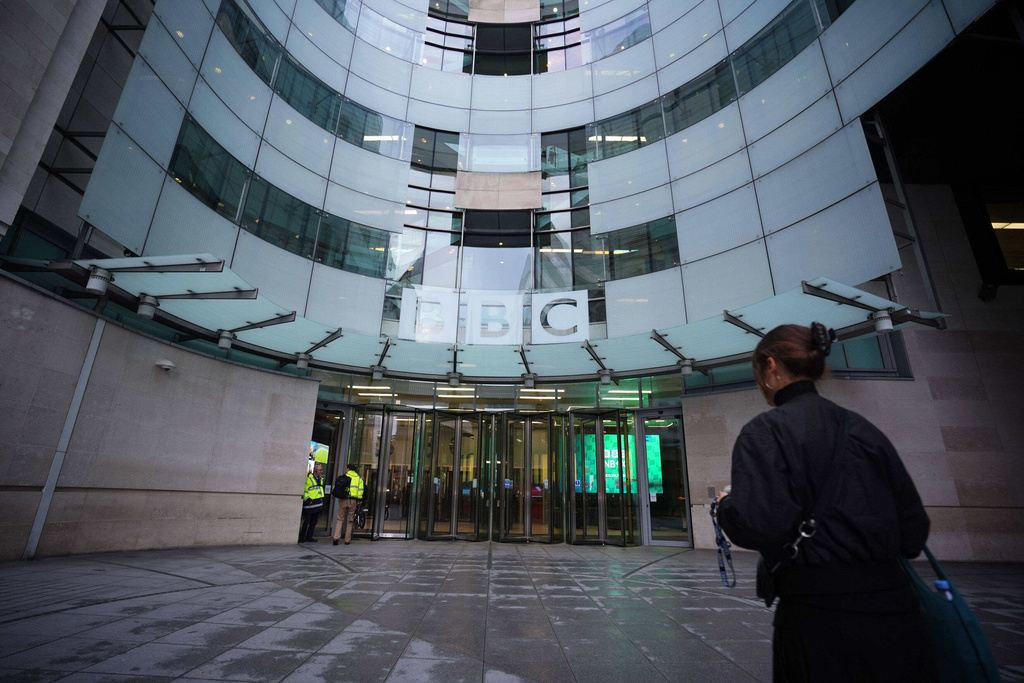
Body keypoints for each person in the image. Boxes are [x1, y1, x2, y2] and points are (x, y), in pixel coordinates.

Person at [715, 322, 938, 683]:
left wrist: (726, 506)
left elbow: (760, 524)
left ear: (770, 366)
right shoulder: (863, 429)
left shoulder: (766, 431)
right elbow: (913, 532)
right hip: (898, 616)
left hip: (818, 621)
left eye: (757, 371)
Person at [332, 462, 365, 546]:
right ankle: (347, 540)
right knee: (350, 521)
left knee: (340, 519)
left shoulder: (343, 477)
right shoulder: (359, 479)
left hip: (343, 499)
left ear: (348, 469)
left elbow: (336, 488)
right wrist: (359, 502)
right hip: (353, 501)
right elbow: (360, 492)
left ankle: (336, 537)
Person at [299, 462, 325, 543]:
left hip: (317, 504)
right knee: (307, 521)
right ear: (315, 470)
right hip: (310, 504)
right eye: (320, 470)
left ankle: (309, 537)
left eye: (322, 470)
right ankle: (302, 537)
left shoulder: (320, 479)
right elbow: (305, 490)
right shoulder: (308, 479)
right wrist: (308, 500)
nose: (321, 471)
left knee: (314, 522)